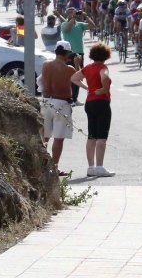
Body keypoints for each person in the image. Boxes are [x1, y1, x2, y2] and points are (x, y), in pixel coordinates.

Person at [40, 41, 80, 176]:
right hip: (61, 103)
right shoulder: (69, 69)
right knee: (58, 137)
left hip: (46, 102)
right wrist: (78, 63)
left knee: (45, 136)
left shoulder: (46, 65)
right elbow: (79, 79)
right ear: (67, 54)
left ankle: (41, 165)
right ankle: (54, 167)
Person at [81, 43, 114, 177]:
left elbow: (75, 78)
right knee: (101, 137)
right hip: (102, 102)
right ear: (106, 56)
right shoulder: (103, 67)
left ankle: (91, 167)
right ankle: (100, 166)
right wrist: (104, 89)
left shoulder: (88, 67)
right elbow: (104, 76)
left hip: (89, 102)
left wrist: (86, 88)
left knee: (91, 136)